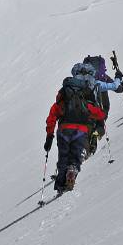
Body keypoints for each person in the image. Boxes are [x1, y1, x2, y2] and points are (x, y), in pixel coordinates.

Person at [44, 64, 106, 192]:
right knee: (75, 157)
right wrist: (100, 118)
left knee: (63, 158)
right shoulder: (83, 101)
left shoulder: (62, 102)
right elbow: (99, 114)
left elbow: (52, 116)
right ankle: (73, 169)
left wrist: (49, 136)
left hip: (64, 131)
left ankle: (61, 185)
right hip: (81, 131)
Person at [81, 56, 123, 154]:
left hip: (87, 104)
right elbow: (116, 87)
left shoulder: (84, 78)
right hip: (102, 101)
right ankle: (97, 133)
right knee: (102, 116)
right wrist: (119, 79)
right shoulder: (103, 77)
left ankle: (87, 142)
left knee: (90, 119)